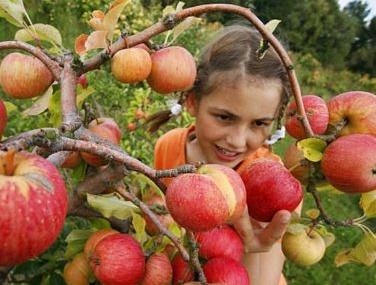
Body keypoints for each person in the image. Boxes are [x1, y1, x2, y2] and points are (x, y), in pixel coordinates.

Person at [151, 25, 302, 285]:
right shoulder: (169, 146)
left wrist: (254, 246)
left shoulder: (271, 185)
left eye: (259, 123)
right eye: (224, 117)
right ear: (193, 102)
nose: (237, 140)